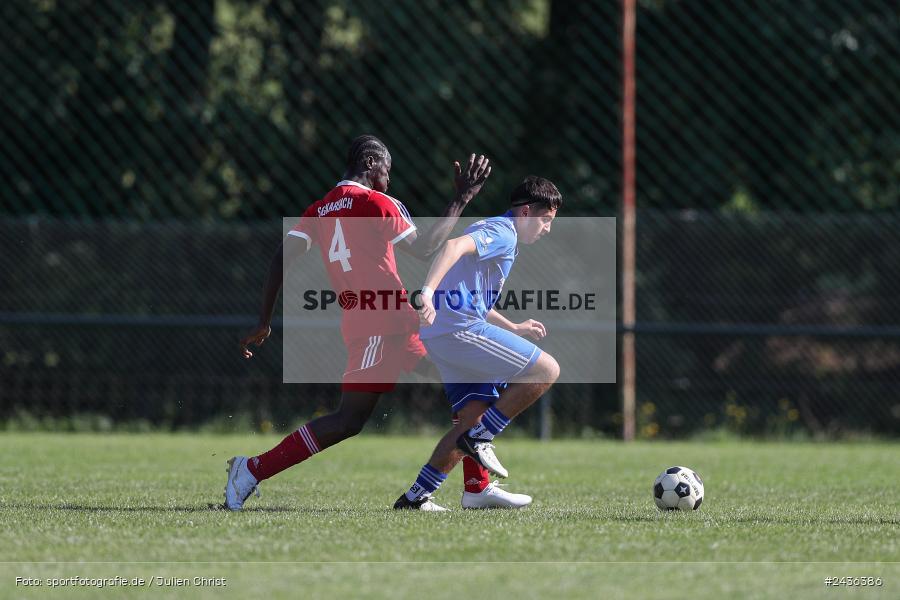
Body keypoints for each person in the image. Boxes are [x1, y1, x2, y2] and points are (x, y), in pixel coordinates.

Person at [226, 135, 529, 511]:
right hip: (376, 327)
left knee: (464, 381)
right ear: (372, 164)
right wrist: (461, 199)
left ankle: (475, 487)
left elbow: (279, 260)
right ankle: (251, 469)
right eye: (387, 170)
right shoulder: (374, 201)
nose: (389, 179)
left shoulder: (318, 209)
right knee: (348, 419)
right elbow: (424, 247)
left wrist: (264, 320)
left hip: (395, 321)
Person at [393, 176, 562, 510]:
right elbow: (453, 246)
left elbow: (475, 299)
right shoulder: (504, 231)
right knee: (546, 370)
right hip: (458, 330)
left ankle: (421, 496)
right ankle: (480, 438)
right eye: (546, 220)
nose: (547, 229)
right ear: (526, 212)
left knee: (472, 416)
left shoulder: (502, 234)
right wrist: (426, 292)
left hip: (441, 335)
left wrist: (513, 326)